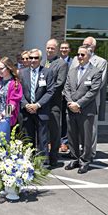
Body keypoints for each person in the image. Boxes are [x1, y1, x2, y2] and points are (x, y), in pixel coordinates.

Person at [63, 45, 102, 174]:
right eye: (78, 54)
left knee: (86, 137)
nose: (79, 57)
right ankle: (75, 158)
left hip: (86, 110)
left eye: (82, 55)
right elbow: (66, 88)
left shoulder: (96, 71)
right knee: (72, 136)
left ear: (89, 56)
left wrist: (78, 104)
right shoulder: (72, 70)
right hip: (71, 109)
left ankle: (85, 161)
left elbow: (93, 92)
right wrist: (70, 103)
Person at [70, 36, 107, 159]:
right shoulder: (76, 59)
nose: (85, 46)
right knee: (75, 129)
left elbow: (99, 84)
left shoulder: (101, 62)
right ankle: (76, 153)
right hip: (74, 101)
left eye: (88, 45)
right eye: (83, 44)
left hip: (90, 101)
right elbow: (71, 80)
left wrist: (80, 103)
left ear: (93, 47)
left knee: (90, 129)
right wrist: (73, 102)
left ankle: (90, 153)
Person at [20, 49, 54, 164]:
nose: (33, 60)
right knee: (28, 139)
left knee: (43, 139)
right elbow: (19, 92)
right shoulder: (22, 73)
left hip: (41, 111)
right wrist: (26, 105)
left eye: (36, 58)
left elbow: (50, 91)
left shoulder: (48, 72)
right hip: (27, 111)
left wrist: (37, 105)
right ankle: (28, 162)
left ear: (40, 59)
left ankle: (43, 163)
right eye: (31, 58)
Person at [44, 39, 68, 168]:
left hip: (53, 104)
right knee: (44, 133)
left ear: (57, 49)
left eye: (52, 48)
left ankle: (54, 158)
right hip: (43, 104)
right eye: (48, 48)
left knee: (54, 133)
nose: (49, 50)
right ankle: (45, 156)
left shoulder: (61, 64)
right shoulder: (45, 62)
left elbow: (59, 84)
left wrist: (44, 95)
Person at [0, 57, 23, 128]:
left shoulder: (14, 84)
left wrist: (1, 116)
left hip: (5, 121)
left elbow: (12, 104)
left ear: (8, 68)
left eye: (1, 69)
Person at [59, 41, 72, 153]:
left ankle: (64, 142)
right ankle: (53, 141)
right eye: (62, 48)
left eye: (66, 48)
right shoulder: (55, 62)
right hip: (55, 95)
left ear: (69, 50)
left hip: (67, 96)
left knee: (65, 119)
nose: (63, 50)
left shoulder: (74, 63)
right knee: (54, 119)